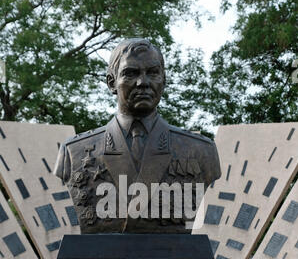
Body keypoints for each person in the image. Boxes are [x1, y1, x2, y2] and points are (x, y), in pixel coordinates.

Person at [54, 38, 221, 233]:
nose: (143, 82)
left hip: (172, 253)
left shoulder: (201, 151)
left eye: (152, 73)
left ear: (164, 80)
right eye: (130, 73)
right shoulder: (74, 152)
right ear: (111, 82)